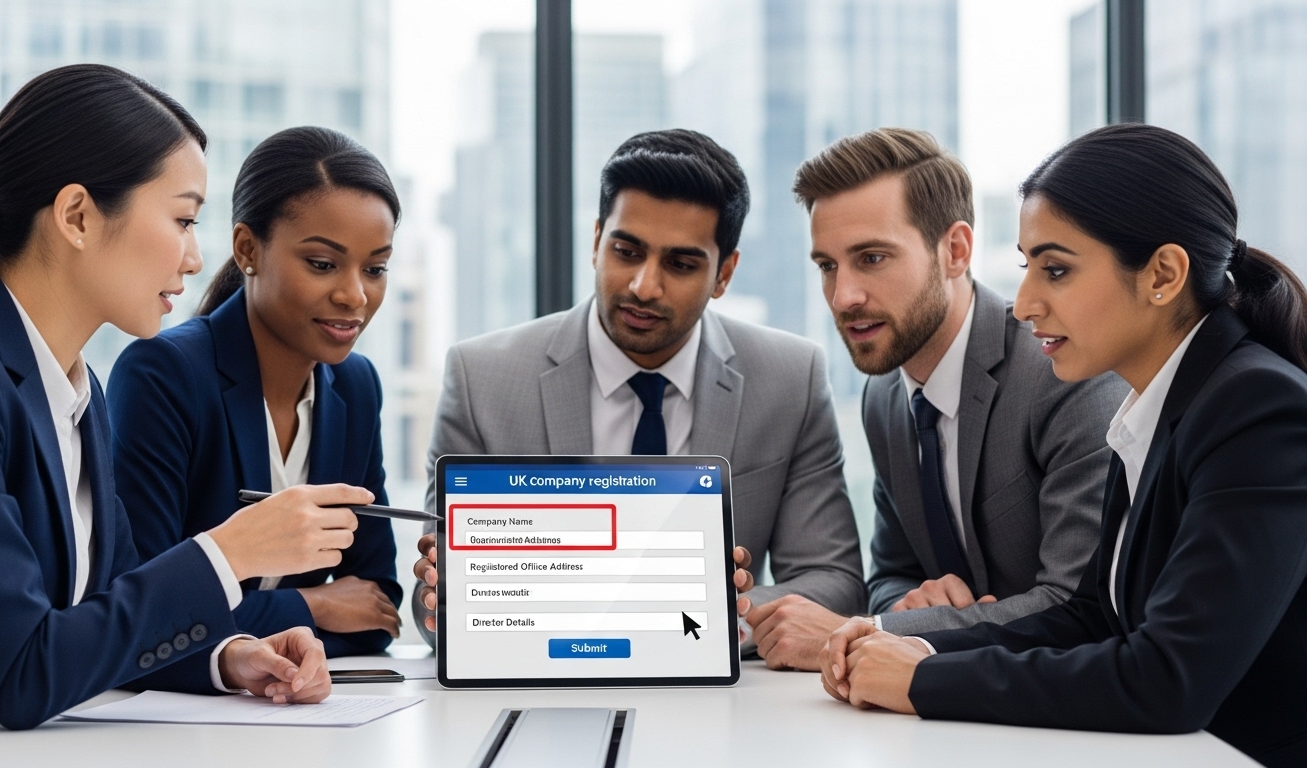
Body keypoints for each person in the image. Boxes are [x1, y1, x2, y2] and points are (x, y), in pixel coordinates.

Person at [810, 123, 1307, 768]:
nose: (1022, 303)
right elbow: (1091, 617)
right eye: (1025, 267)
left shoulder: (1258, 409)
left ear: (1162, 274)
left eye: (1056, 269)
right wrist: (907, 647)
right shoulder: (1158, 406)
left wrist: (922, 682)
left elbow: (1168, 680)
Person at [0, 64, 369, 740]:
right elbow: (21, 673)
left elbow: (107, 612)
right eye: (182, 218)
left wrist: (229, 657)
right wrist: (228, 553)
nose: (193, 257)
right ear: (78, 216)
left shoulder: (76, 387)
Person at [411, 128, 857, 642]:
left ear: (724, 274)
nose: (644, 286)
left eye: (681, 264)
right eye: (627, 251)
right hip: (549, 691)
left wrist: (694, 617)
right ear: (597, 241)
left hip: (727, 705)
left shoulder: (789, 379)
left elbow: (835, 584)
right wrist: (675, 608)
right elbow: (439, 613)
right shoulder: (482, 380)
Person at [743, 128, 1125, 671]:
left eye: (871, 258)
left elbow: (1075, 605)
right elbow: (890, 574)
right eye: (828, 266)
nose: (844, 295)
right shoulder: (884, 398)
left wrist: (873, 632)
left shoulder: (1062, 373)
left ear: (955, 250)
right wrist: (909, 606)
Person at [108, 127, 402, 656]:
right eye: (322, 264)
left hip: (303, 703)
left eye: (376, 268)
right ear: (248, 248)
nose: (354, 294)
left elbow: (376, 607)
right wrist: (314, 606)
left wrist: (255, 621)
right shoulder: (164, 375)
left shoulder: (357, 388)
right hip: (173, 718)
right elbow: (141, 607)